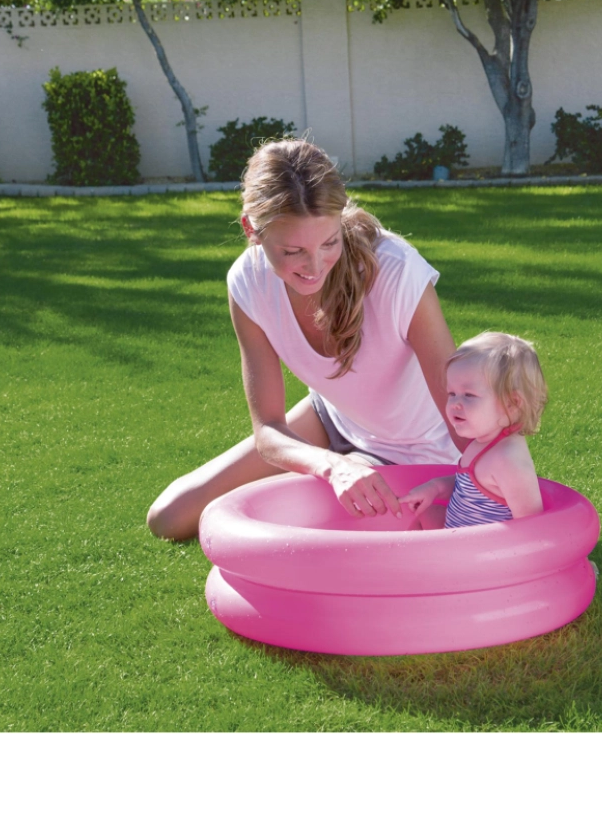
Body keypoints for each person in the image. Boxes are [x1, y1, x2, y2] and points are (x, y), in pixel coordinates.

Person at [147, 138, 462, 541]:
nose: (315, 267)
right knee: (169, 517)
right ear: (251, 229)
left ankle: (363, 463)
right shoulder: (248, 282)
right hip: (332, 421)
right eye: (294, 250)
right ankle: (353, 459)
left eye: (329, 242)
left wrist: (479, 479)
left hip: (424, 450)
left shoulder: (397, 272)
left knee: (363, 550)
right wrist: (332, 465)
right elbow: (269, 431)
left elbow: (460, 410)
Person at [398, 332, 547, 529]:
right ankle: (411, 557)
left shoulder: (508, 460)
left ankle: (417, 559)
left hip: (483, 554)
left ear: (511, 403)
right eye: (452, 393)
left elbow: (531, 526)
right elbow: (470, 485)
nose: (455, 404)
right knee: (428, 515)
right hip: (458, 536)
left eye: (469, 395)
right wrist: (435, 488)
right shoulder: (483, 441)